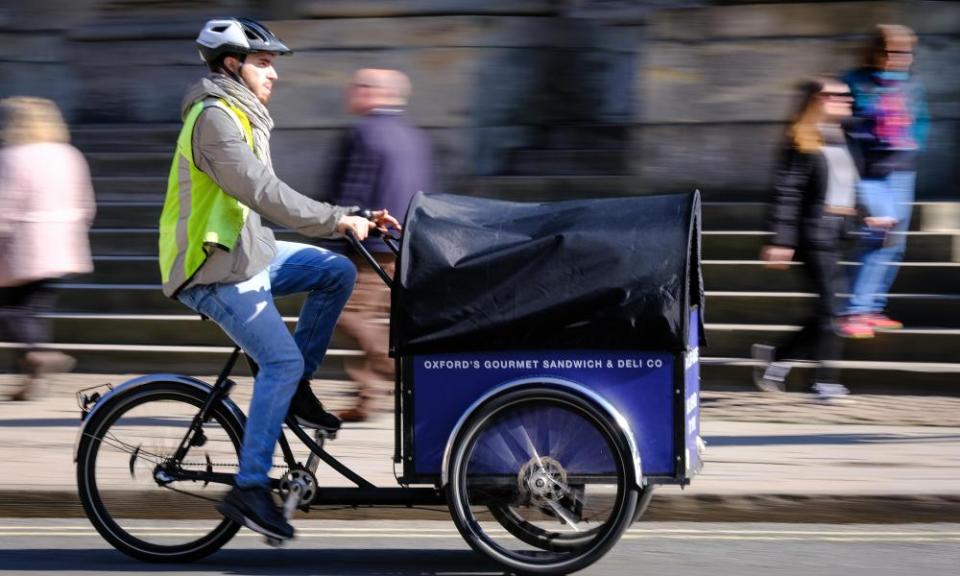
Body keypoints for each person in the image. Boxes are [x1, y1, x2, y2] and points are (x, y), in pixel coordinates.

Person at [159, 18, 399, 541]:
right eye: (263, 63)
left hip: (248, 252)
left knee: (334, 270)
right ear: (231, 64)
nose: (274, 75)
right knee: (280, 360)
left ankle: (295, 390)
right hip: (211, 267)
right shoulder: (214, 119)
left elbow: (269, 194)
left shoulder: (243, 113)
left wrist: (352, 212)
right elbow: (262, 192)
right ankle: (249, 488)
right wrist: (336, 219)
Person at [327, 68, 433, 422]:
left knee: (346, 315)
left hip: (371, 247)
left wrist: (333, 230)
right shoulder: (416, 136)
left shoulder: (363, 133)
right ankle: (368, 398)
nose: (349, 93)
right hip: (409, 244)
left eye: (356, 86)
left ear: (373, 92)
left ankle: (393, 371)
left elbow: (352, 191)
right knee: (391, 321)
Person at [751, 77, 859, 399]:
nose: (845, 100)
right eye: (834, 95)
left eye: (846, 95)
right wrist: (780, 238)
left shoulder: (841, 138)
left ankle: (777, 356)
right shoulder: (800, 139)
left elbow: (848, 188)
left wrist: (867, 215)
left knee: (828, 310)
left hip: (836, 233)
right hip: (812, 233)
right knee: (830, 309)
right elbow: (786, 192)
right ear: (814, 100)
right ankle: (823, 381)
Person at [0, 97, 95, 401]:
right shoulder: (69, 154)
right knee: (31, 310)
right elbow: (86, 203)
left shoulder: (13, 156)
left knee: (13, 310)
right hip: (62, 245)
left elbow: (5, 206)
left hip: (23, 248)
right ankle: (30, 376)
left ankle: (39, 355)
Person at [839, 24, 929, 337]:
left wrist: (913, 141)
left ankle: (874, 306)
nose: (897, 58)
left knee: (896, 242)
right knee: (878, 235)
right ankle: (853, 311)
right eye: (890, 51)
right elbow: (841, 123)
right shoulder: (853, 81)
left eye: (904, 52)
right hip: (867, 170)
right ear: (875, 52)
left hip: (902, 168)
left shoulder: (911, 84)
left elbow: (921, 120)